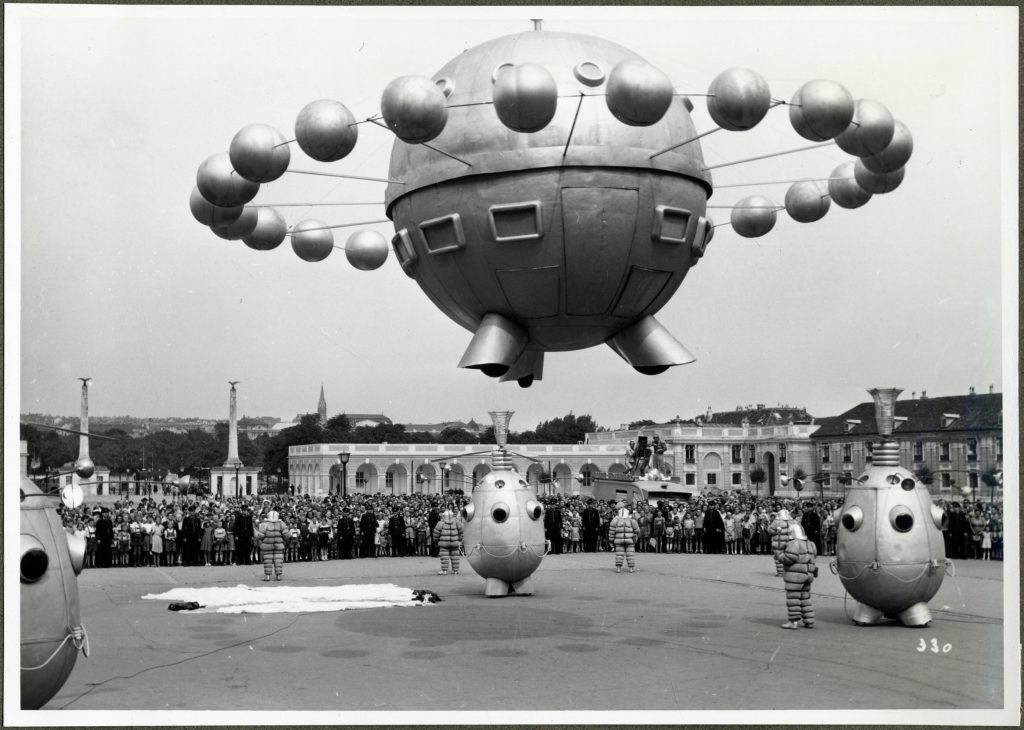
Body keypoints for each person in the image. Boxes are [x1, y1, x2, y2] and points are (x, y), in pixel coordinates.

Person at [780, 522, 818, 629]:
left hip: (795, 576)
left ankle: (793, 621)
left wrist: (780, 556)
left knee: (794, 598)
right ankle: (809, 620)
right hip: (808, 574)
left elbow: (789, 559)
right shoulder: (810, 544)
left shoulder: (794, 543)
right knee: (805, 598)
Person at [255, 509, 288, 581]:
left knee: (267, 560)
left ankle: (267, 576)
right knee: (278, 560)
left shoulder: (264, 524)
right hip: (278, 545)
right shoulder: (281, 523)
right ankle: (278, 576)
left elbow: (260, 536)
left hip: (267, 545)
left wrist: (256, 532)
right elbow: (287, 535)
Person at [431, 505, 464, 575]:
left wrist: (435, 541)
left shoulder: (440, 523)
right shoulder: (457, 522)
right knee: (455, 557)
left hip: (444, 543)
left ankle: (444, 570)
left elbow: (436, 534)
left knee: (444, 557)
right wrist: (460, 540)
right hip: (454, 542)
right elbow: (462, 531)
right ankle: (455, 570)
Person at [609, 501, 639, 573]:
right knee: (630, 554)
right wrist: (635, 537)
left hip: (619, 540)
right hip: (630, 540)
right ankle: (631, 568)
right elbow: (637, 530)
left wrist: (611, 540)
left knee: (619, 554)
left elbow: (611, 531)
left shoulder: (615, 520)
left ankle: (619, 568)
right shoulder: (632, 520)